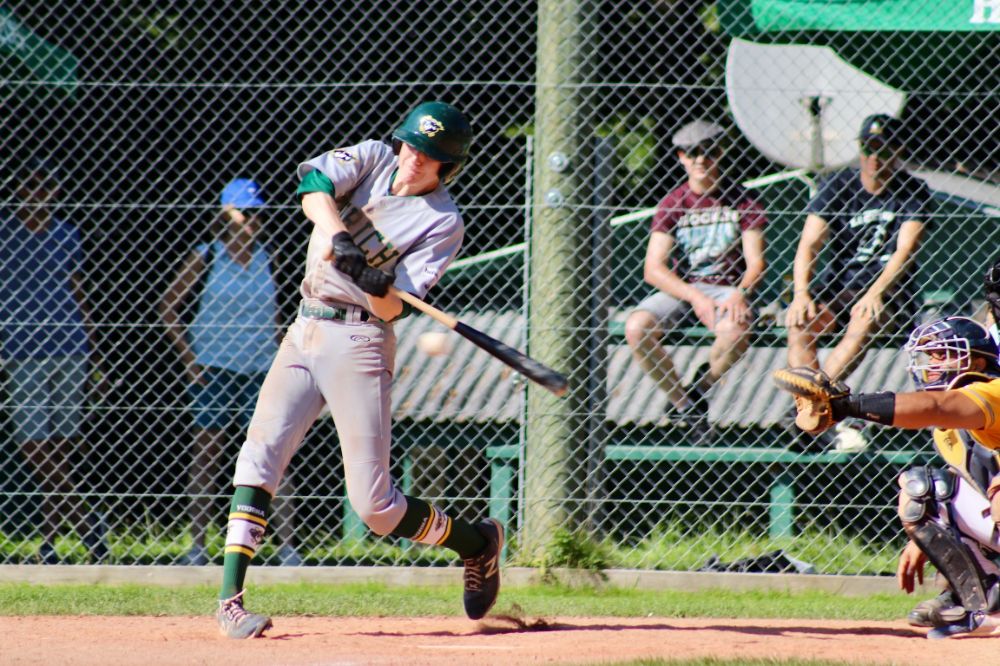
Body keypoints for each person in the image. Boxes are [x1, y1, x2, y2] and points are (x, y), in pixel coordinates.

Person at [214, 101, 503, 639]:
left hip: (360, 339)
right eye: (413, 146)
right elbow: (313, 184)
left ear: (448, 166)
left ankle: (477, 544)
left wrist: (374, 283)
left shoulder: (443, 222)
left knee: (375, 507)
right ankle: (230, 601)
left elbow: (398, 306)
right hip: (304, 327)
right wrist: (339, 238)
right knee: (260, 455)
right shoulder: (372, 158)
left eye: (429, 156)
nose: (413, 160)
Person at [772, 316, 1000, 639]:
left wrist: (847, 406)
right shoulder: (947, 426)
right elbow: (961, 479)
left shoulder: (992, 390)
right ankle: (985, 606)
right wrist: (928, 536)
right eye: (929, 356)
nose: (932, 365)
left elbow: (936, 405)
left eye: (943, 355)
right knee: (924, 492)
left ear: (977, 362)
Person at [159, 179, 300, 566]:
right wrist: (190, 360)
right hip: (213, 371)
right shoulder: (206, 256)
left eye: (257, 214)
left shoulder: (269, 257)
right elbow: (167, 307)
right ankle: (198, 547)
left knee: (272, 457)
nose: (251, 221)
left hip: (259, 371)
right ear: (225, 216)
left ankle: (288, 548)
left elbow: (276, 316)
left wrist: (279, 354)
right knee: (206, 457)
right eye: (244, 213)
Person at [624, 119, 767, 435]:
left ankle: (700, 389)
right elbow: (654, 269)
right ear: (681, 158)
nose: (700, 159)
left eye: (709, 151)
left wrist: (739, 293)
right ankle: (685, 406)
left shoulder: (743, 201)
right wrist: (696, 297)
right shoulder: (672, 203)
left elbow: (756, 263)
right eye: (691, 153)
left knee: (736, 331)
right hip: (684, 290)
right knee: (636, 328)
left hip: (728, 290)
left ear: (721, 152)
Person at [0, 157, 108, 564]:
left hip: (69, 345)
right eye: (29, 187)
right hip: (21, 348)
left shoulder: (66, 233)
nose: (37, 195)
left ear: (55, 193)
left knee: (60, 450)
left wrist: (94, 352)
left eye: (44, 187)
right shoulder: (5, 234)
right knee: (33, 445)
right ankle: (85, 522)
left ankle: (49, 546)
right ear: (18, 192)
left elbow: (77, 290)